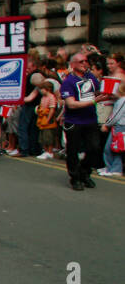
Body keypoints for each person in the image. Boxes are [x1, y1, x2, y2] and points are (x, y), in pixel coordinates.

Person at [59, 50, 102, 190]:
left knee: (94, 148)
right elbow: (71, 104)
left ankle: (84, 172)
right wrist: (94, 102)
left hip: (91, 120)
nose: (85, 64)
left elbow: (97, 92)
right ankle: (75, 177)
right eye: (81, 61)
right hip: (74, 121)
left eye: (86, 61)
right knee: (73, 150)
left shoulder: (90, 77)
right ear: (73, 64)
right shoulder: (68, 82)